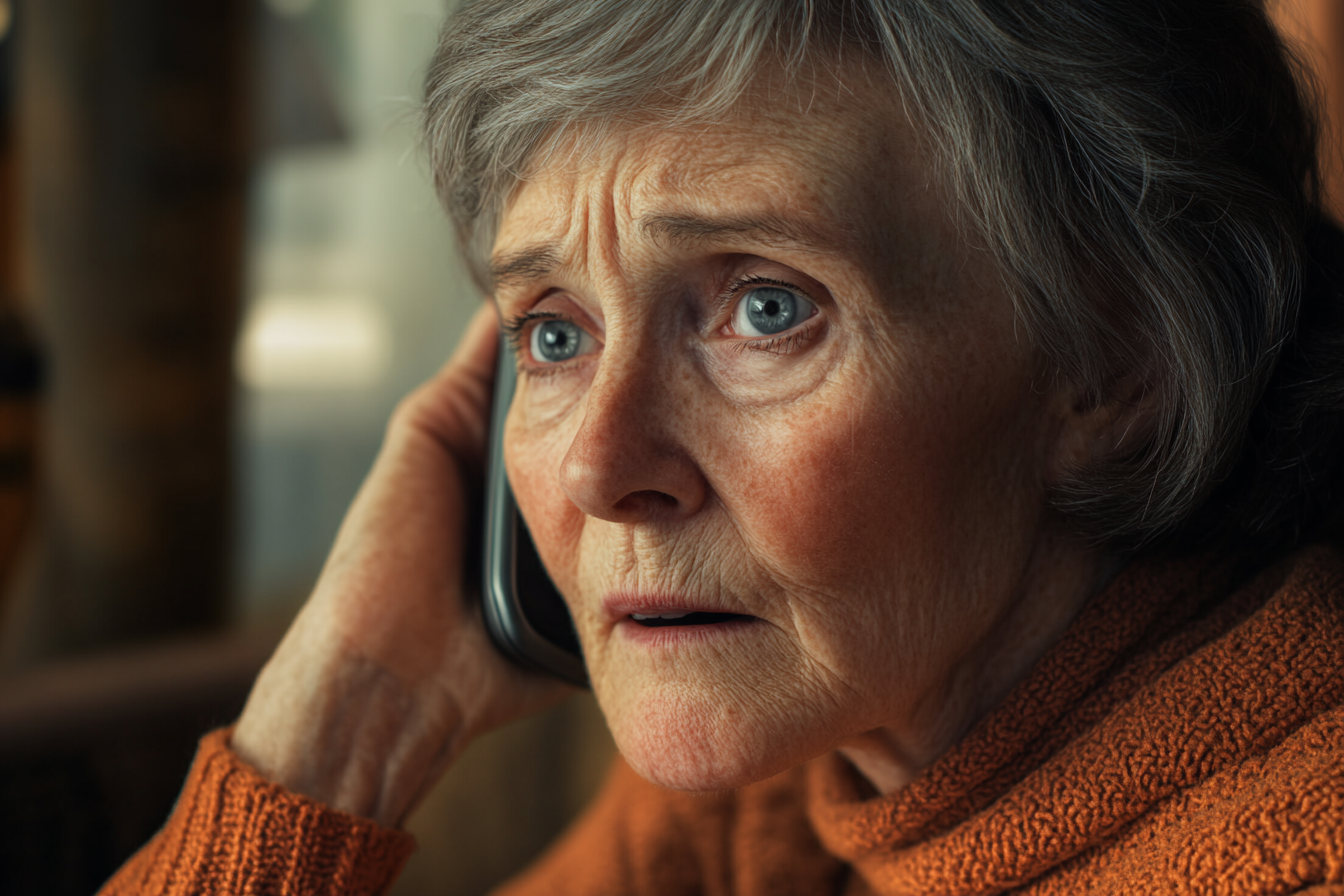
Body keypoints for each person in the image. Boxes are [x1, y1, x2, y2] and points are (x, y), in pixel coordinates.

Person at [103, 0, 1344, 893]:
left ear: (1117, 363)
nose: (599, 467)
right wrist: (341, 728)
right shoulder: (785, 800)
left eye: (766, 306)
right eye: (552, 331)